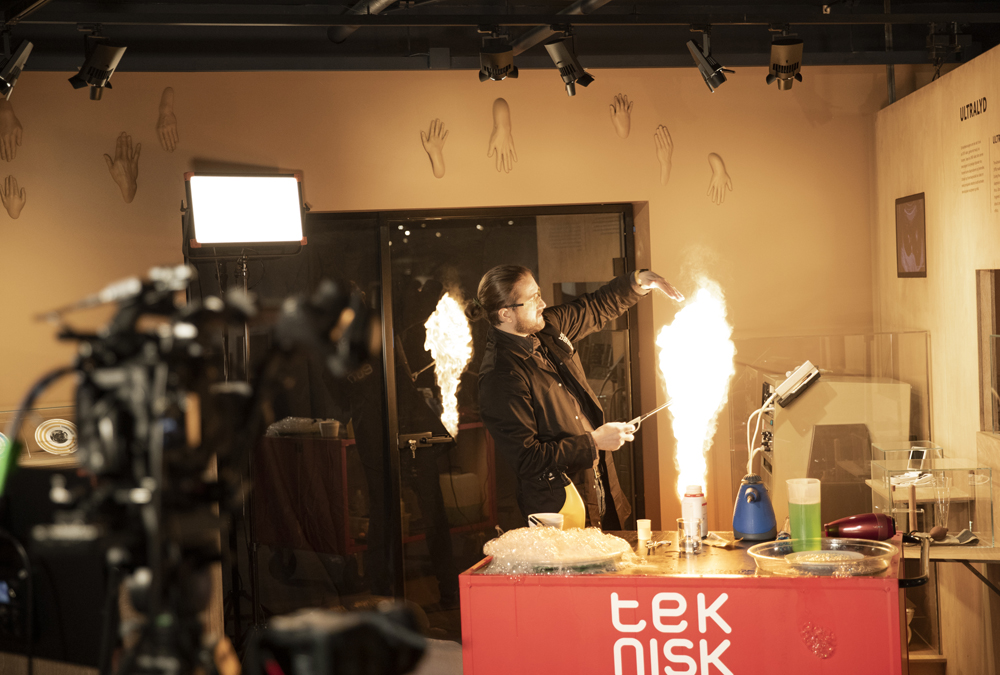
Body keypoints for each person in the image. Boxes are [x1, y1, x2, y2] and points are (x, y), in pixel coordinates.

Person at [468, 266, 684, 530]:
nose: (543, 303)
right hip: (560, 508)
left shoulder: (547, 328)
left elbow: (593, 308)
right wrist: (593, 442)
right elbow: (528, 460)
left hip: (599, 487)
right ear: (505, 313)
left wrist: (637, 282)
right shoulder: (500, 375)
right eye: (533, 298)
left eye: (540, 294)